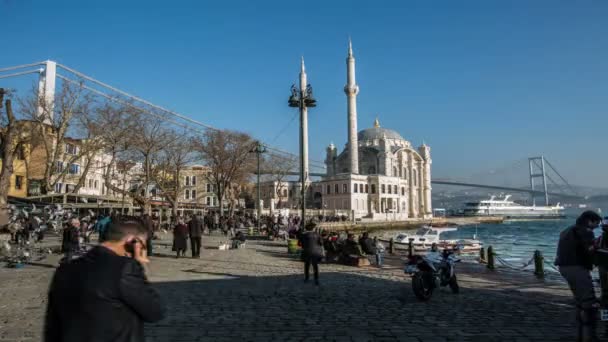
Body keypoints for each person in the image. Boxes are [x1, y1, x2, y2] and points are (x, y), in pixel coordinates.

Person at [44, 220, 165, 342]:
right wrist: (141, 264)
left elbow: (52, 326)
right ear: (132, 242)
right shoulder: (125, 268)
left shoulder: (65, 269)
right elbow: (154, 311)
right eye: (143, 245)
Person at [555, 210, 603, 342]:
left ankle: (580, 334)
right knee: (589, 303)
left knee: (580, 301)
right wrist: (596, 245)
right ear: (589, 221)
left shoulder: (567, 230)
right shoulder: (585, 231)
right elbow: (588, 250)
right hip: (576, 267)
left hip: (563, 267)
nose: (598, 226)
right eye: (596, 223)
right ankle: (589, 336)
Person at [596, 217, 608, 337]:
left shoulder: (600, 238)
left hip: (602, 268)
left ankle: (605, 325)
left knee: (605, 297)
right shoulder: (600, 239)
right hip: (603, 268)